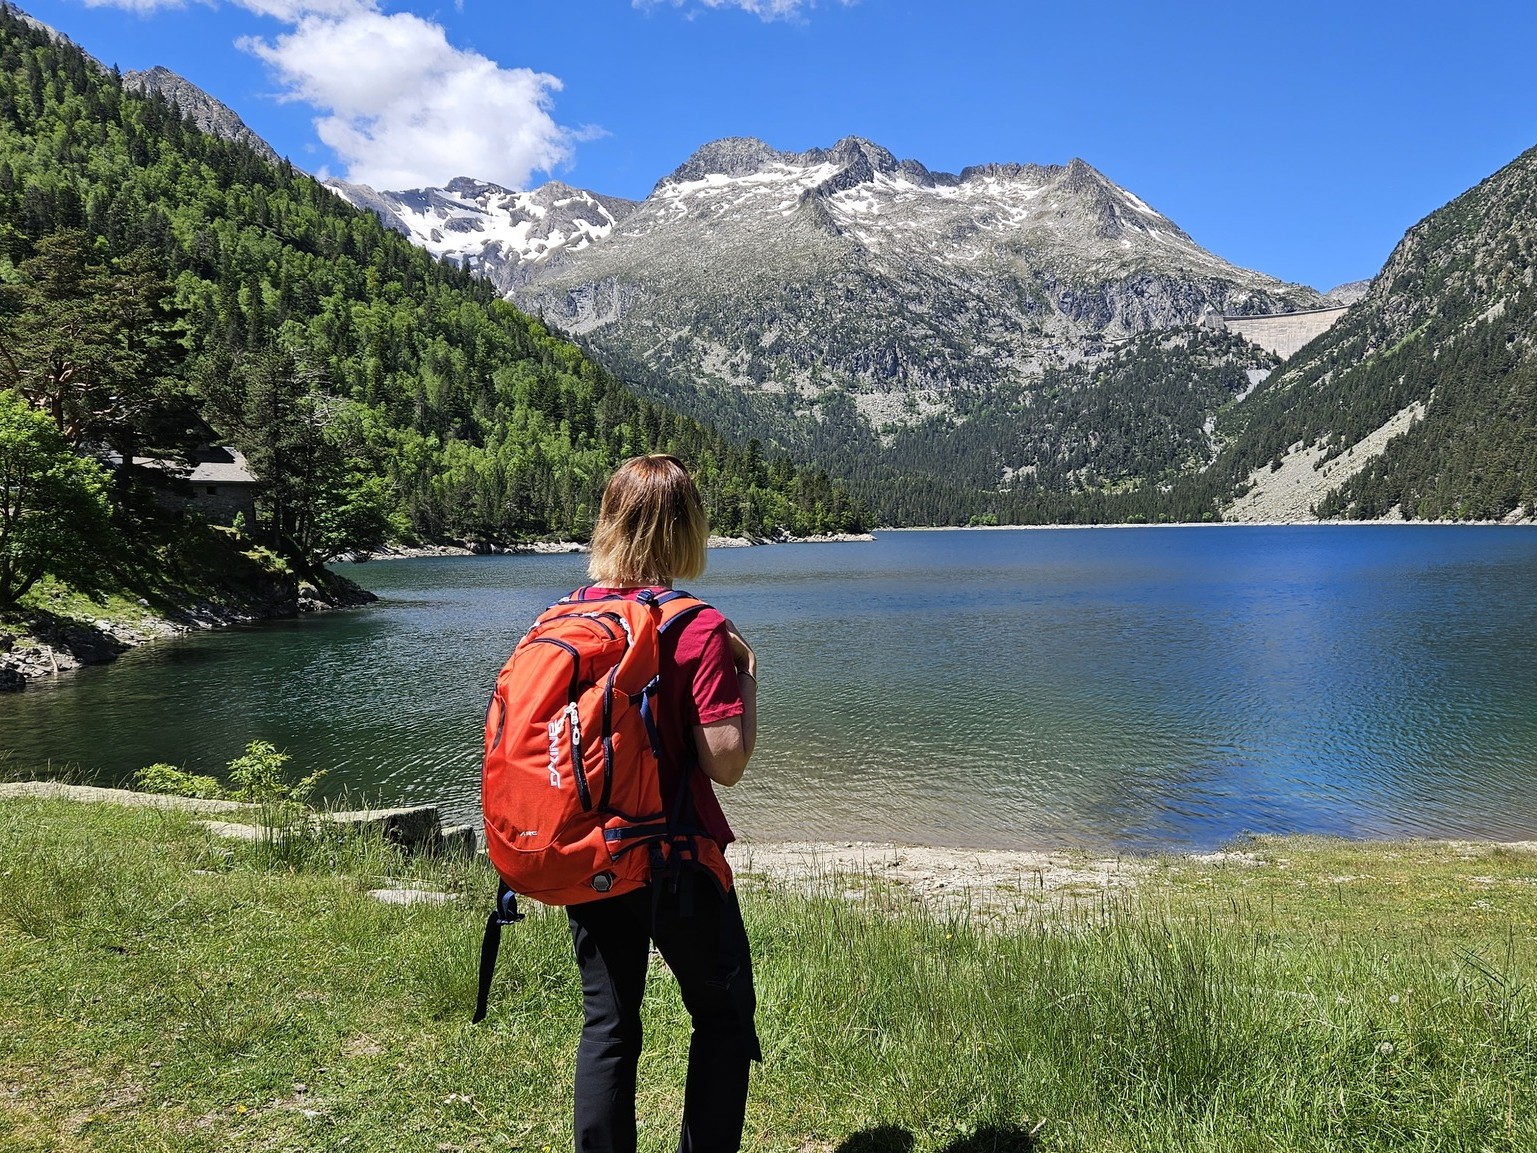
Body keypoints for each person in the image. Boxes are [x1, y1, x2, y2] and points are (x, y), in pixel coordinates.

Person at [565, 453, 761, 1153]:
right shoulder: (697, 625)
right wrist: (747, 674)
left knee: (609, 1023)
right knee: (722, 1015)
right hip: (677, 861)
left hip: (589, 856)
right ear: (688, 529)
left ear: (611, 523)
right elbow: (726, 761)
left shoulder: (571, 617)